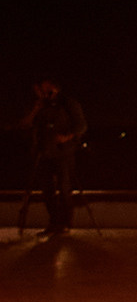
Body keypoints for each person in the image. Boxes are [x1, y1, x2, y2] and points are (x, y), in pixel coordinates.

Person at [22, 77, 88, 235]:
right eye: (41, 90)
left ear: (55, 88)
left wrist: (66, 137)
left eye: (47, 89)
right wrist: (35, 110)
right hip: (43, 153)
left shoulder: (67, 104)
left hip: (63, 153)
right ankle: (54, 222)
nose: (44, 93)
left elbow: (81, 125)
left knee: (64, 188)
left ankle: (65, 223)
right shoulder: (39, 106)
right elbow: (24, 124)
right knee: (47, 190)